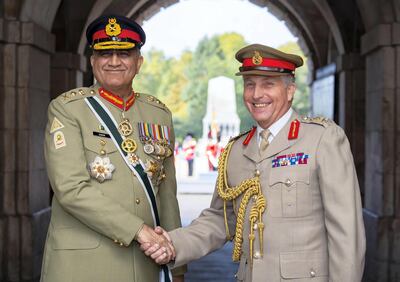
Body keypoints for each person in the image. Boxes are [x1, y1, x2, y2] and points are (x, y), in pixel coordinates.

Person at [142, 44, 366, 281]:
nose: (257, 94)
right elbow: (221, 220)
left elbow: (346, 234)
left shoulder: (322, 139)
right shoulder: (236, 150)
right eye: (250, 84)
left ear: (290, 90)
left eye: (268, 84)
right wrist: (172, 243)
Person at [40, 15, 185, 282]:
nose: (114, 61)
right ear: (93, 61)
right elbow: (70, 189)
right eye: (105, 54)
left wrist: (176, 263)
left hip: (146, 265)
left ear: (138, 63)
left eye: (124, 53)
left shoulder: (159, 114)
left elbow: (166, 194)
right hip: (83, 265)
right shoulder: (68, 109)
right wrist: (140, 230)